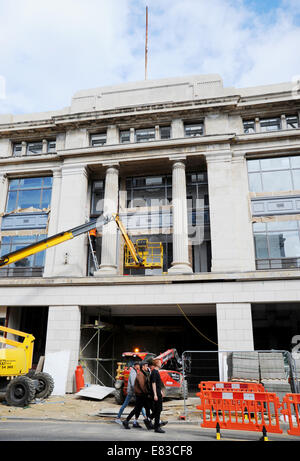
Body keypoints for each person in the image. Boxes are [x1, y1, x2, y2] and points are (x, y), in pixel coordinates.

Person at [122, 361, 153, 429]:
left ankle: (148, 422)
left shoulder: (144, 373)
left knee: (146, 409)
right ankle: (126, 421)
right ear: (143, 367)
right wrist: (148, 392)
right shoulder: (140, 374)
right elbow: (142, 386)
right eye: (146, 366)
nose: (147, 367)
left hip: (143, 395)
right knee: (137, 409)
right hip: (141, 395)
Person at [115, 361, 146, 426]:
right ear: (135, 366)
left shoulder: (135, 371)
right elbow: (133, 383)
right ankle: (118, 418)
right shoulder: (133, 372)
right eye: (138, 366)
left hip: (134, 391)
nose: (139, 367)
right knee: (126, 405)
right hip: (132, 392)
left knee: (140, 405)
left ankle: (142, 419)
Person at [150, 358, 166, 433]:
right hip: (156, 394)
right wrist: (155, 394)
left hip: (158, 392)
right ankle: (157, 427)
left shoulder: (156, 372)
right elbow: (153, 383)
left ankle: (149, 419)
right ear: (156, 364)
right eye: (159, 362)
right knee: (158, 410)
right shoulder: (154, 372)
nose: (161, 363)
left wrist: (160, 391)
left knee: (158, 410)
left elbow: (157, 384)